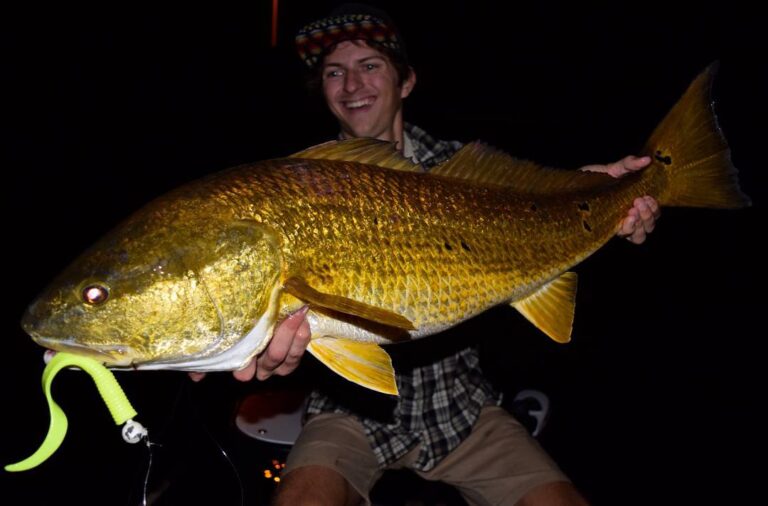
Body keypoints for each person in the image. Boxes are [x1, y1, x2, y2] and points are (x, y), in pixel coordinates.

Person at [192, 4, 660, 505]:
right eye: (334, 72)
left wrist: (597, 190)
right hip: (349, 412)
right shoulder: (300, 185)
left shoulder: (459, 171)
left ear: (407, 81)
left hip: (462, 405)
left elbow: (536, 200)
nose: (352, 86)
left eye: (369, 65)